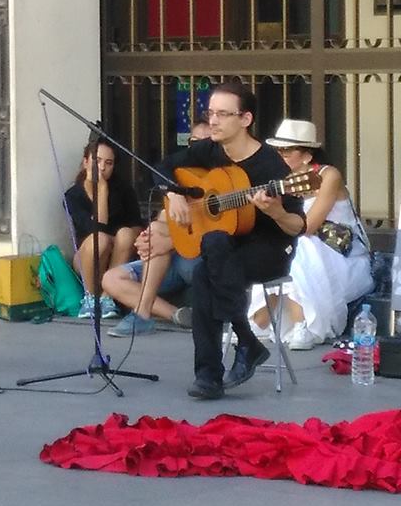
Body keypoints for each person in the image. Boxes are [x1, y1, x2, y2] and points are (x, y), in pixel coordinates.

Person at [161, 82, 305, 398]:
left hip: (268, 249)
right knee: (206, 266)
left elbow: (297, 226)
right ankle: (220, 366)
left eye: (222, 114)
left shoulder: (272, 167)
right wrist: (173, 194)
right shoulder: (209, 150)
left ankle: (226, 361)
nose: (212, 121)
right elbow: (163, 167)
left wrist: (278, 212)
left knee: (210, 256)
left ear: (245, 119)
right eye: (210, 113)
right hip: (225, 250)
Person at [250, 119, 374, 349]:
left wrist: (276, 214)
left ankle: (303, 324)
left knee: (296, 248)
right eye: (276, 151)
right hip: (305, 256)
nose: (279, 156)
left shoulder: (329, 176)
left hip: (341, 255)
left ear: (307, 155)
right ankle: (259, 321)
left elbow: (308, 226)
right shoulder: (277, 179)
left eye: (286, 151)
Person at [64, 137, 141, 320]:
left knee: (125, 234)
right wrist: (101, 189)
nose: (102, 168)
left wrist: (121, 239)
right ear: (85, 162)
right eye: (97, 161)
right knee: (101, 239)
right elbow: (95, 230)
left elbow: (137, 225)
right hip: (86, 258)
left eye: (108, 163)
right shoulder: (72, 195)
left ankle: (107, 297)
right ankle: (90, 298)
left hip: (119, 256)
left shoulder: (123, 190)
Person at [103, 211, 195, 336]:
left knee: (157, 233)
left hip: (200, 260)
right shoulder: (177, 194)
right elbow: (164, 219)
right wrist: (145, 238)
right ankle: (179, 315)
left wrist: (170, 243)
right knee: (111, 279)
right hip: (171, 260)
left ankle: (142, 313)